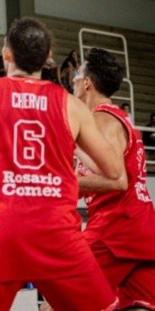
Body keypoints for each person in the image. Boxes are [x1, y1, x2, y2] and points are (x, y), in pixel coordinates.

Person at [0, 18, 126, 311]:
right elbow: (114, 171)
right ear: (48, 58)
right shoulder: (71, 106)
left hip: (0, 231)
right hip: (56, 232)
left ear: (6, 54)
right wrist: (68, 144)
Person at [73, 48, 155, 310]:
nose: (73, 79)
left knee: (62, 298)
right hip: (140, 230)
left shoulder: (101, 120)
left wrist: (64, 184)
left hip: (115, 230)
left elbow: (118, 181)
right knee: (137, 306)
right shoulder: (118, 120)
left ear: (87, 83)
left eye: (77, 74)